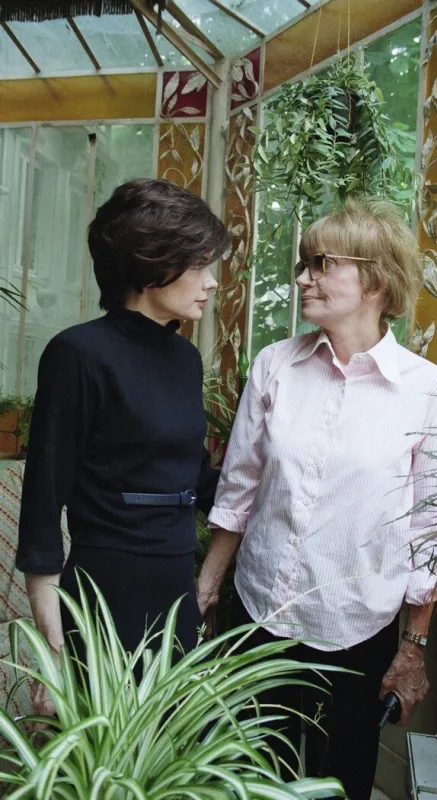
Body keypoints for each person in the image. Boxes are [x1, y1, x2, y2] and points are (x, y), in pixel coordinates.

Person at [197, 198, 437, 800]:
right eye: (303, 264)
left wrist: (414, 647)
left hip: (355, 631)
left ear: (376, 280)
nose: (303, 278)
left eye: (321, 264)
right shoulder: (276, 366)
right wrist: (208, 587)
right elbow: (239, 489)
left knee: (338, 783)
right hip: (258, 613)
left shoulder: (429, 393)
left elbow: (433, 532)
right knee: (245, 777)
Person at [17, 178, 228, 719]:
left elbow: (195, 476)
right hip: (106, 589)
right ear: (152, 264)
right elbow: (41, 512)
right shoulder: (78, 354)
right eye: (198, 265)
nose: (211, 281)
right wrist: (52, 654)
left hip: (176, 586)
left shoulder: (184, 359)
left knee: (175, 747)